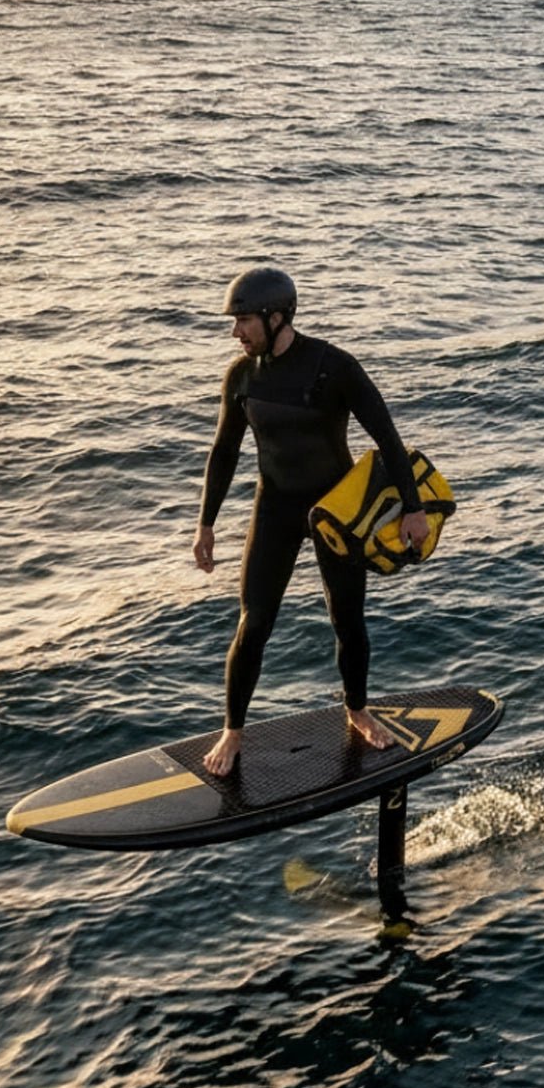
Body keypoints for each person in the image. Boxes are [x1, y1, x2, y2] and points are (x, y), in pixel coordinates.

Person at [193, 267, 430, 777]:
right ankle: (233, 730)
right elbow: (224, 451)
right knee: (253, 621)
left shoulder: (333, 367)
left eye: (243, 321)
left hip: (336, 509)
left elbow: (387, 437)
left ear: (276, 317)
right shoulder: (241, 376)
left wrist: (413, 509)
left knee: (347, 618)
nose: (236, 333)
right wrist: (205, 524)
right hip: (275, 505)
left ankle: (357, 709)